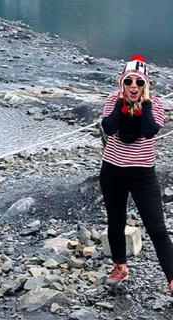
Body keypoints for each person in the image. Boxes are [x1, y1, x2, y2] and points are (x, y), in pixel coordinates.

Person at [100, 55, 173, 292]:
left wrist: (146, 104)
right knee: (116, 221)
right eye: (129, 81)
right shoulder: (112, 100)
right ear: (122, 83)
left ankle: (172, 279)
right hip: (112, 172)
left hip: (143, 175)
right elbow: (109, 127)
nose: (134, 87)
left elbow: (150, 130)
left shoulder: (157, 104)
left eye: (139, 82)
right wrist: (123, 104)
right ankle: (120, 266)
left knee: (158, 229)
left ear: (146, 85)